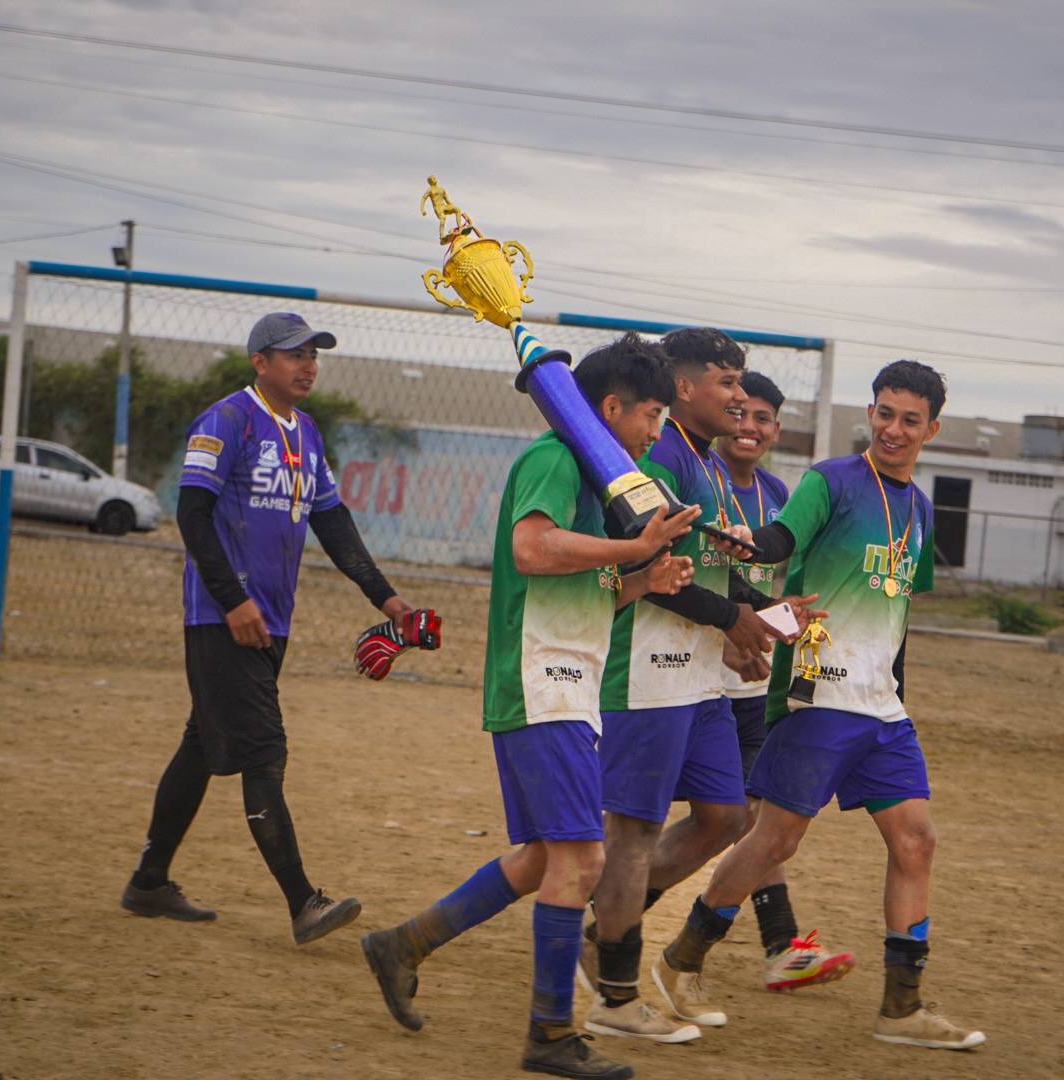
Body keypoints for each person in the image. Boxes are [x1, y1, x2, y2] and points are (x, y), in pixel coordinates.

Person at [360, 334, 700, 1080]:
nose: (656, 432)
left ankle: (402, 945)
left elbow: (585, 589)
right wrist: (632, 550)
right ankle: (549, 1034)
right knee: (582, 858)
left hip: (569, 685)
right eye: (651, 414)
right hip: (540, 683)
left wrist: (645, 581)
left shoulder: (604, 478)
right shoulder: (554, 458)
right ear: (609, 408)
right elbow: (532, 550)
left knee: (546, 857)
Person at [651, 359, 987, 1051]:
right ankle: (681, 961)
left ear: (931, 430)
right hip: (820, 695)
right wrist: (750, 544)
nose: (894, 429)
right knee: (774, 840)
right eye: (884, 413)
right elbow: (780, 540)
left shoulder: (921, 510)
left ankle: (902, 1008)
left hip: (882, 708)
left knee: (917, 840)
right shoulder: (830, 481)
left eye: (910, 420)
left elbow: (898, 616)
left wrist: (896, 694)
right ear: (870, 414)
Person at [120, 311, 432, 948]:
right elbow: (192, 514)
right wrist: (233, 600)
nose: (308, 365)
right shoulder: (227, 420)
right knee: (264, 750)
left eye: (314, 354)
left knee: (202, 746)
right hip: (223, 618)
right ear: (260, 361)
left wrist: (388, 599)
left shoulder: (307, 432)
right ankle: (303, 902)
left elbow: (333, 524)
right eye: (295, 354)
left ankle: (149, 881)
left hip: (270, 619)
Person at [581, 328, 811, 1041]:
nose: (740, 398)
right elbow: (651, 575)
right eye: (727, 382)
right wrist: (738, 620)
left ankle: (598, 937)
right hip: (646, 673)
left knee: (724, 816)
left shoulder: (706, 462)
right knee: (632, 834)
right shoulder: (660, 458)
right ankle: (614, 990)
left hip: (701, 677)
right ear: (683, 387)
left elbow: (711, 572)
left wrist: (763, 616)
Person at [713, 370, 855, 993]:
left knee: (752, 818)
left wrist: (778, 629)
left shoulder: (777, 495)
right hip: (680, 680)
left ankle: (781, 947)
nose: (749, 426)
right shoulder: (698, 480)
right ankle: (605, 917)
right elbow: (695, 580)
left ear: (776, 429)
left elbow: (771, 591)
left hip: (748, 687)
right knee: (672, 819)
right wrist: (728, 633)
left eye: (763, 417)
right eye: (739, 412)